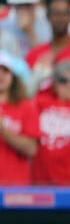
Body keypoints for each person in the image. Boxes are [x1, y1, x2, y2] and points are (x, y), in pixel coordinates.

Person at [0, 51, 38, 186]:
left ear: (13, 76)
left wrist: (3, 131)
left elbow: (31, 149)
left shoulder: (25, 106)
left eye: (5, 70)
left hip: (16, 188)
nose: (1, 75)